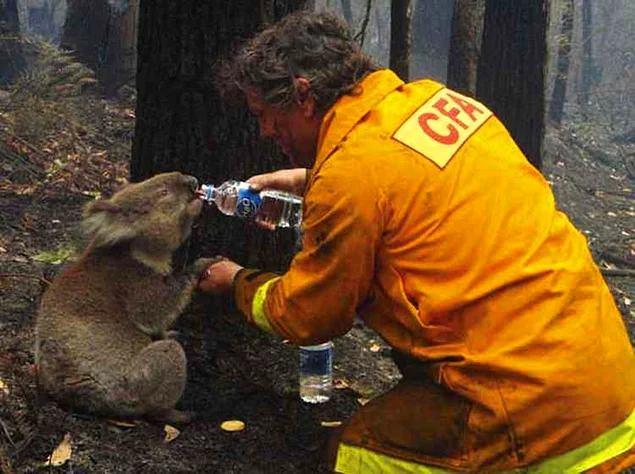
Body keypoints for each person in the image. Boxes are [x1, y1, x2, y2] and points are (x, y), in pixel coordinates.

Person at [198, 10, 635, 473]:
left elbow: (310, 315)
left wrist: (237, 282)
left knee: (355, 455)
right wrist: (310, 180)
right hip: (608, 385)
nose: (266, 133)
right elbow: (407, 182)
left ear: (304, 96)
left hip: (527, 410)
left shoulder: (351, 178)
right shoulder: (436, 102)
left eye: (265, 116)